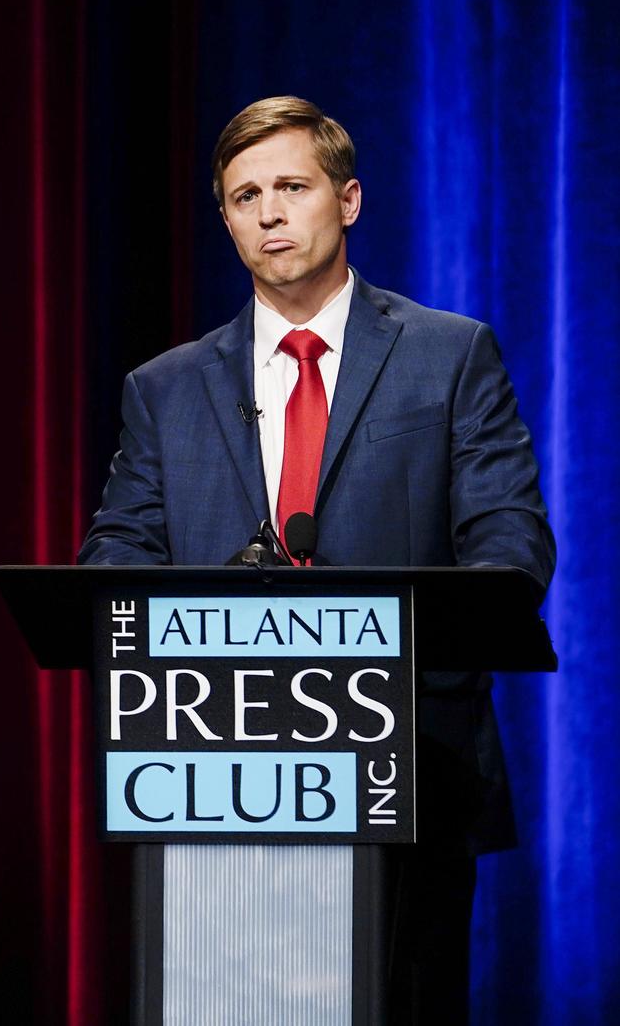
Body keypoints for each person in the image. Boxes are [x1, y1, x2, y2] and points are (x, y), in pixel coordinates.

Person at [79, 96, 554, 1023]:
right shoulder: (163, 389)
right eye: (244, 195)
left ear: (349, 200)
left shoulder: (449, 357)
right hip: (218, 774)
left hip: (406, 773)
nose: (268, 213)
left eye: (291, 187)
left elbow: (511, 542)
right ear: (224, 219)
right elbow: (117, 556)